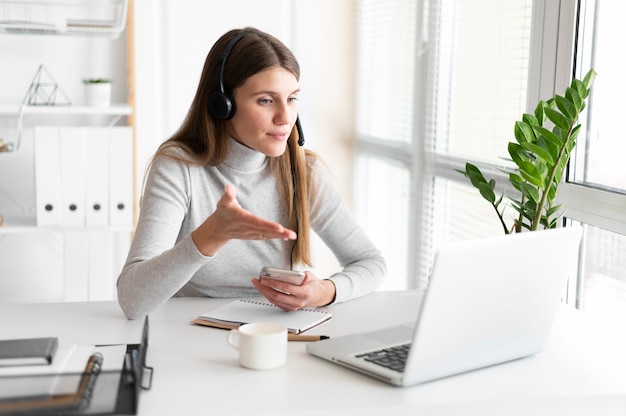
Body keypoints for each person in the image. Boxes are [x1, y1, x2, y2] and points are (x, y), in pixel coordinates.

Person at [117, 27, 386, 320]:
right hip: (188, 332)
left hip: (273, 334)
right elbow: (133, 301)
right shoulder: (178, 167)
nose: (285, 118)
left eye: (292, 98)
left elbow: (371, 262)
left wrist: (326, 292)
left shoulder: (304, 172)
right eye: (266, 100)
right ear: (222, 105)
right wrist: (209, 236)